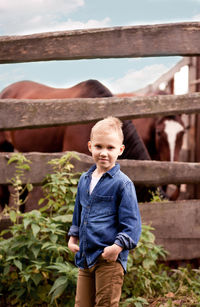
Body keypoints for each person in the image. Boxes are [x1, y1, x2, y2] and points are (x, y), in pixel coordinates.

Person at [68, 116, 141, 307]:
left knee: (105, 304)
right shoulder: (85, 179)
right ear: (90, 146)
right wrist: (73, 237)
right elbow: (78, 211)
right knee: (82, 303)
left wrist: (116, 248)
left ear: (120, 150)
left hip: (109, 259)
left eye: (110, 148)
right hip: (85, 256)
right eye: (99, 146)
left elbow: (132, 226)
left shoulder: (122, 184)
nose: (104, 153)